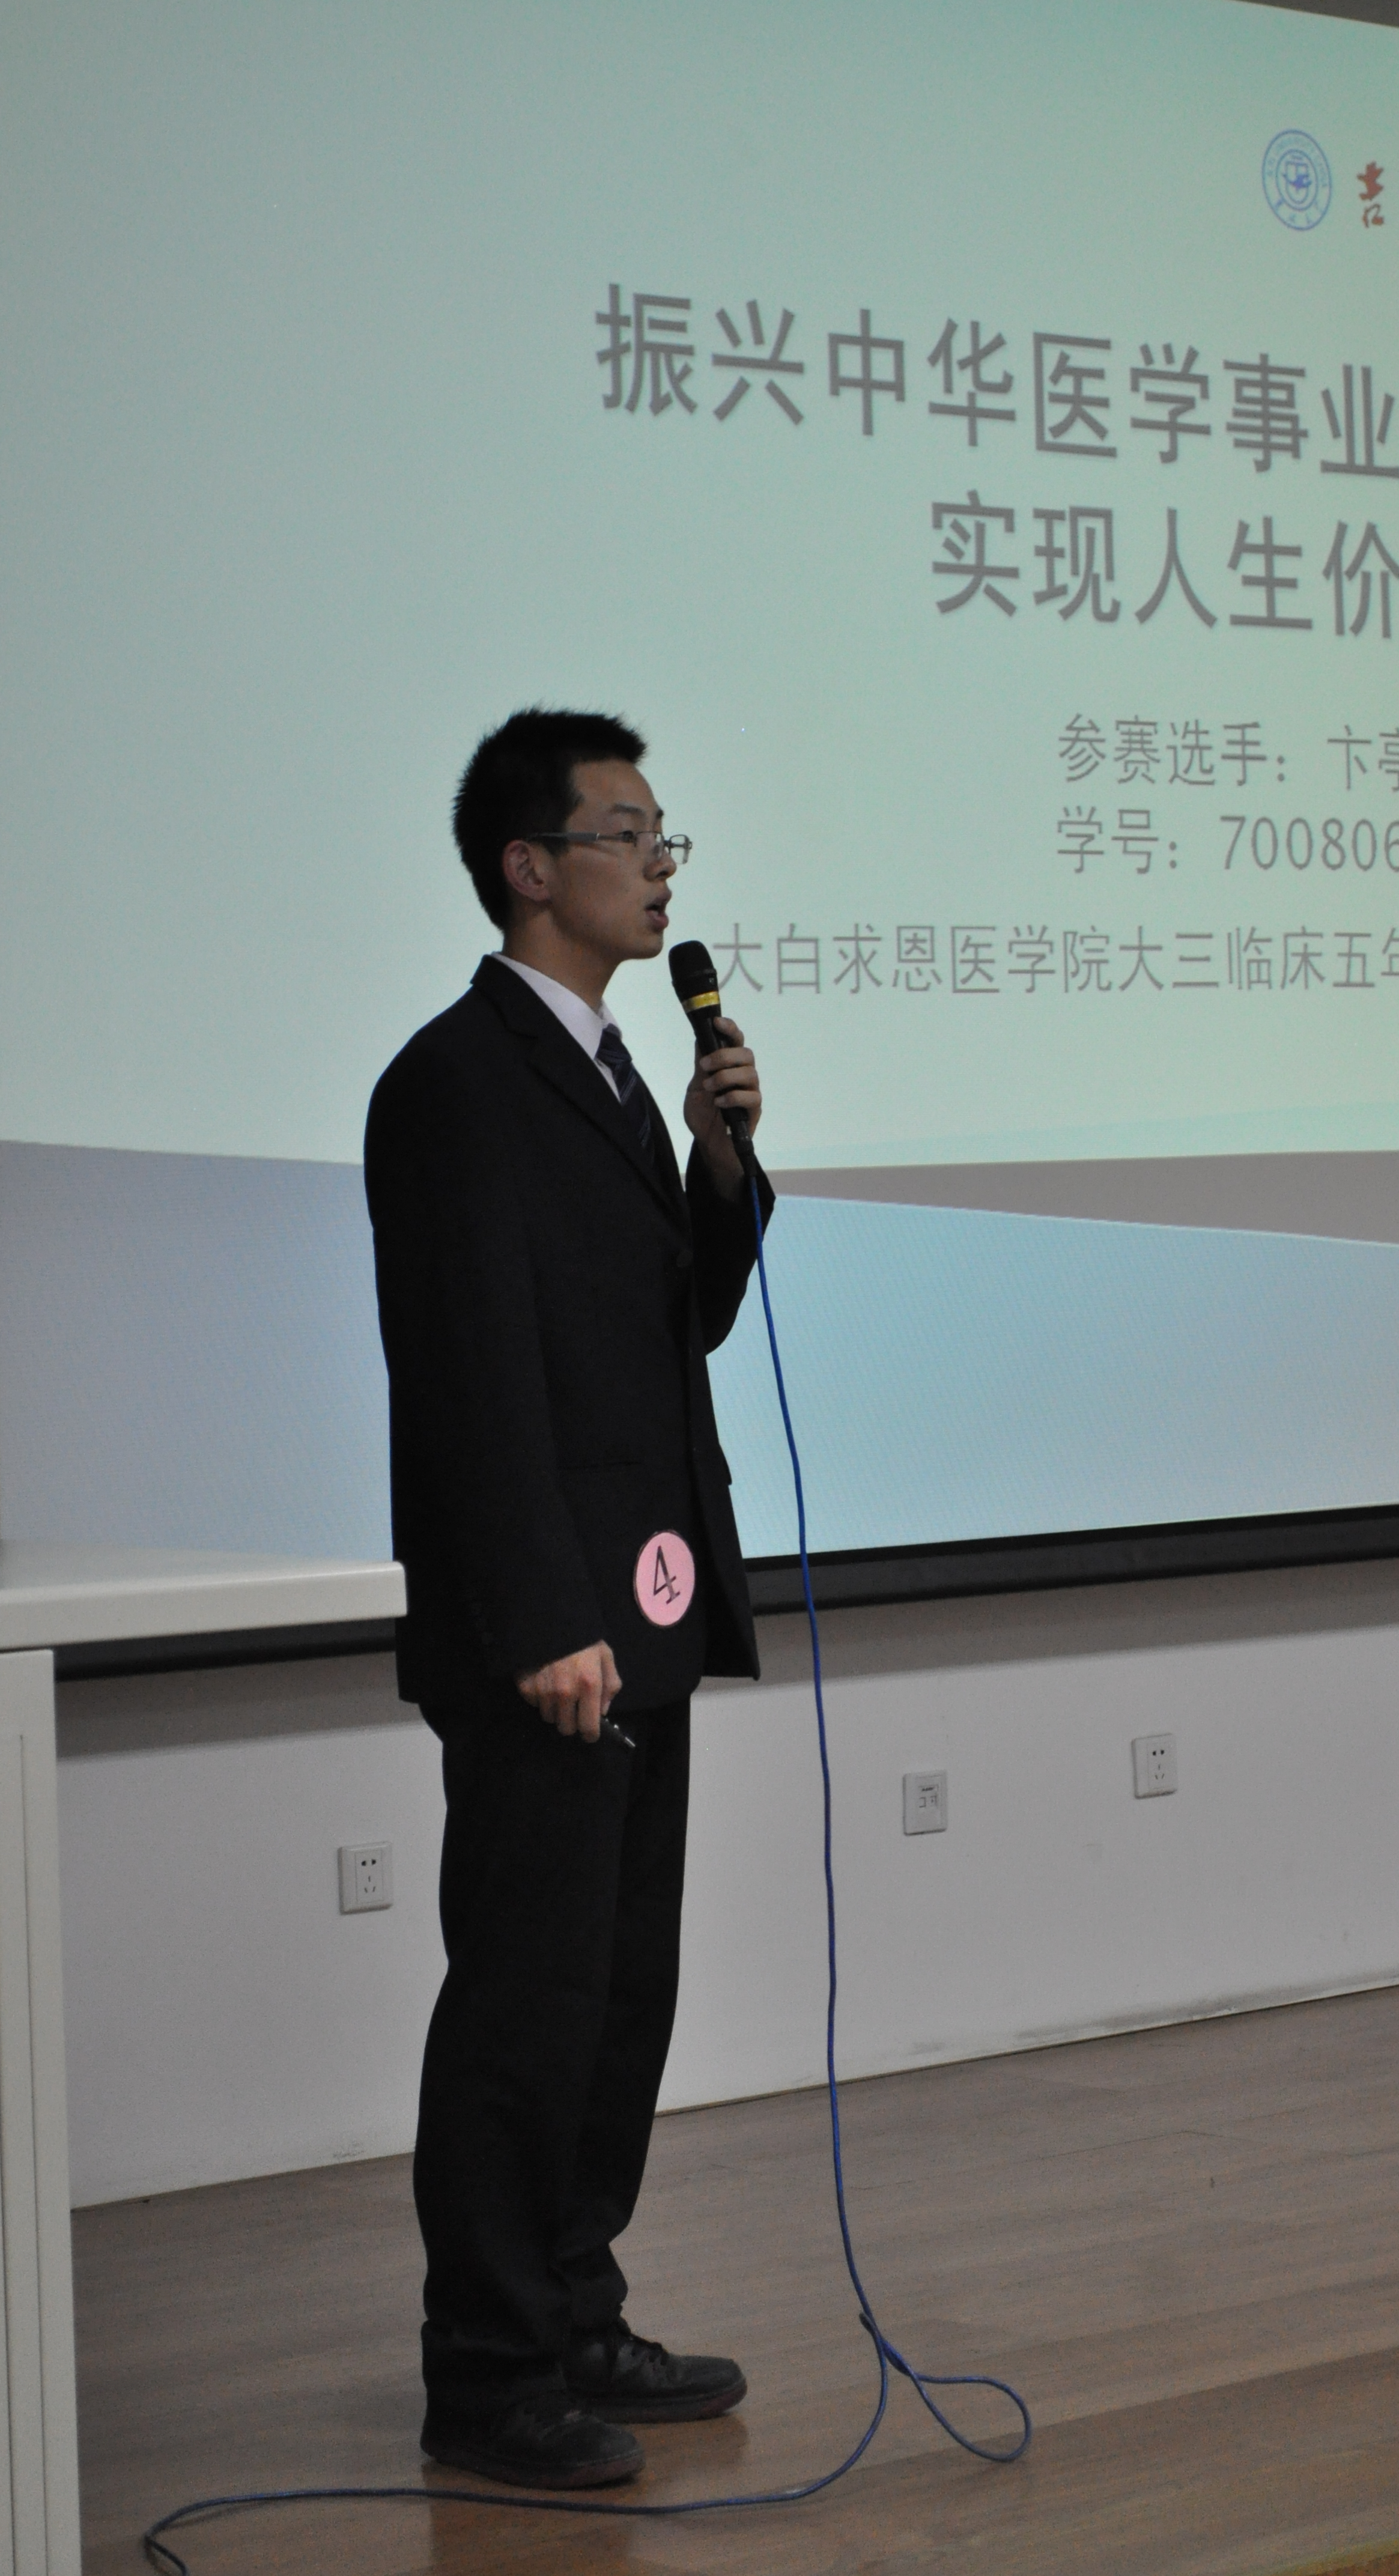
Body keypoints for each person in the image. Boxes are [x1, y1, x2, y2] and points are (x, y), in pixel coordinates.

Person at [363, 708, 771, 2491]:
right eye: (626, 832)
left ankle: (578, 2309)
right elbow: (472, 1376)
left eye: (666, 834)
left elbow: (672, 1327)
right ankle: (489, 2371)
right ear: (531, 867)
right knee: (526, 2000)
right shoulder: (455, 1084)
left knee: (620, 1990)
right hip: (549, 1634)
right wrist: (540, 1616)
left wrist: (723, 1167)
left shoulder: (614, 1072)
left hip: (643, 1608)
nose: (658, 863)